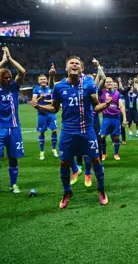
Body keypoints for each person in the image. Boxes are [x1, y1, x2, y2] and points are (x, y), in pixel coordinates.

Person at [31, 56, 110, 208]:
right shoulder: (59, 87)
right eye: (71, 63)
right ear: (66, 68)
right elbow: (54, 108)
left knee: (96, 160)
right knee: (64, 162)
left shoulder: (88, 84)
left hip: (87, 130)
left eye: (77, 64)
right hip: (68, 131)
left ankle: (101, 190)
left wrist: (105, 105)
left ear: (82, 69)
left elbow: (96, 106)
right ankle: (67, 192)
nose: (74, 65)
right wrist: (39, 106)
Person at [0, 46, 26, 194]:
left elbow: (22, 72)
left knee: (13, 158)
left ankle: (13, 184)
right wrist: (3, 61)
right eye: (5, 78)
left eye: (9, 77)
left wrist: (10, 59)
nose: (8, 80)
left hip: (14, 128)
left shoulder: (14, 88)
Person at [32, 66, 59, 160]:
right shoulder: (36, 89)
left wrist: (47, 101)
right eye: (41, 79)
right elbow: (34, 101)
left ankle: (54, 149)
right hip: (41, 114)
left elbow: (55, 100)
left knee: (54, 130)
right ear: (38, 81)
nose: (43, 80)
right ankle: (42, 151)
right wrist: (40, 98)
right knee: (41, 132)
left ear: (47, 80)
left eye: (44, 79)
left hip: (51, 114)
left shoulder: (51, 88)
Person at [98, 76, 127, 161]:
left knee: (116, 137)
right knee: (102, 137)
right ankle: (104, 154)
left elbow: (121, 106)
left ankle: (116, 154)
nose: (109, 83)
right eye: (107, 82)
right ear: (105, 84)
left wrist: (124, 118)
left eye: (110, 82)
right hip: (106, 118)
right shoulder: (102, 93)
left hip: (116, 118)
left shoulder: (117, 93)